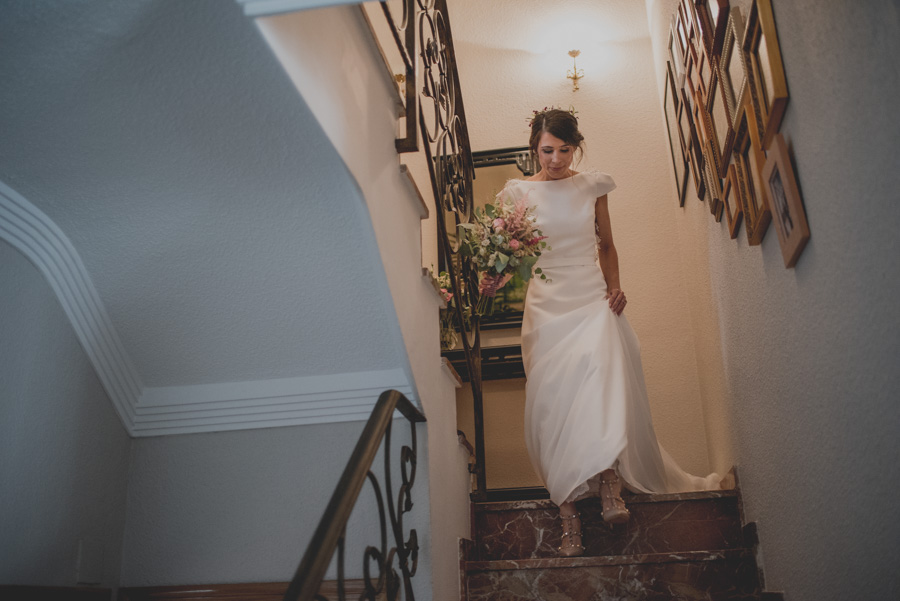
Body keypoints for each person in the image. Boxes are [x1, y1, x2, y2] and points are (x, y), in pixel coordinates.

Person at [498, 109, 721, 557]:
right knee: (552, 404)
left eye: (565, 149)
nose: (557, 159)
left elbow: (606, 244)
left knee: (600, 382)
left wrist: (615, 288)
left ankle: (609, 484)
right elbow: (511, 256)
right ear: (533, 148)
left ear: (575, 147)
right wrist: (497, 275)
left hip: (590, 295)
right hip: (545, 303)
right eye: (547, 150)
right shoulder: (516, 193)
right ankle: (567, 520)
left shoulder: (593, 184)